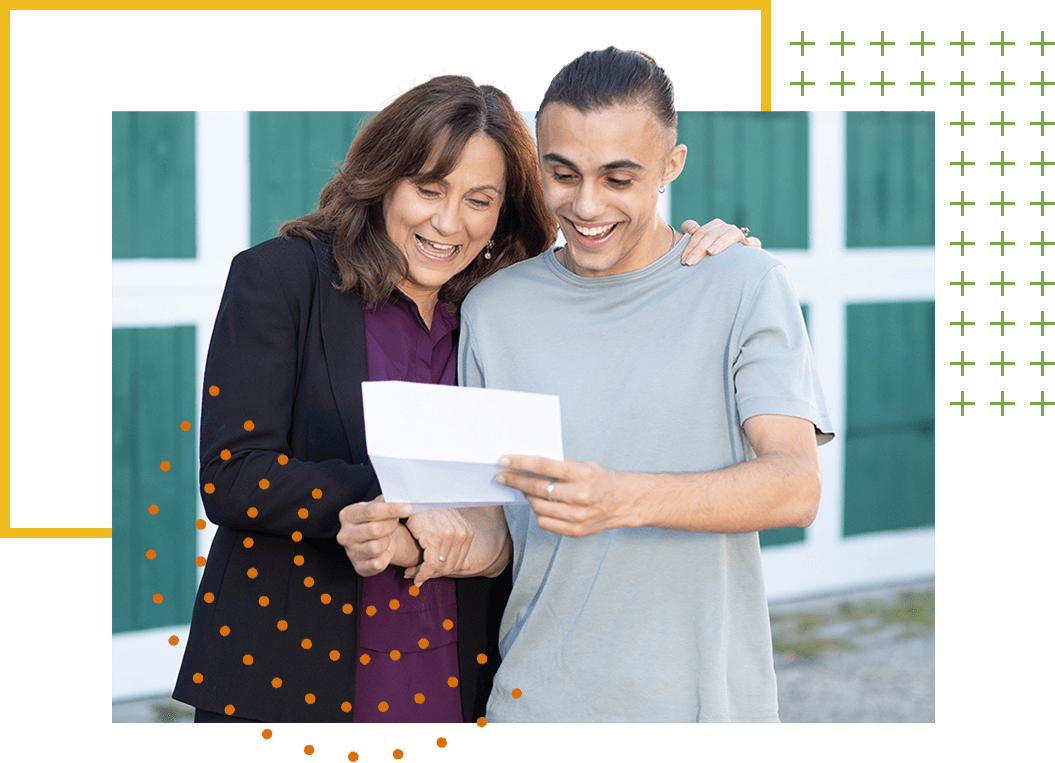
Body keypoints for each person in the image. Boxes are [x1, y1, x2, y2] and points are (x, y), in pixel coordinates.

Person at [172, 74, 756, 723]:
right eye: (428, 188)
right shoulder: (279, 278)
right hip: (297, 665)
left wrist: (709, 256)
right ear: (383, 177)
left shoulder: (506, 304)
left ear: (503, 211)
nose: (448, 222)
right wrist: (387, 498)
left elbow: (620, 278)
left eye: (479, 199)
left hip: (459, 660)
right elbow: (231, 474)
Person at [457, 48, 834, 722]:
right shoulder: (493, 310)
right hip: (535, 703)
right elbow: (494, 532)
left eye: (617, 177)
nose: (586, 204)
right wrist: (416, 537)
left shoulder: (743, 284)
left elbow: (795, 485)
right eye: (562, 174)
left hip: (702, 708)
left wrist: (621, 498)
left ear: (670, 166)